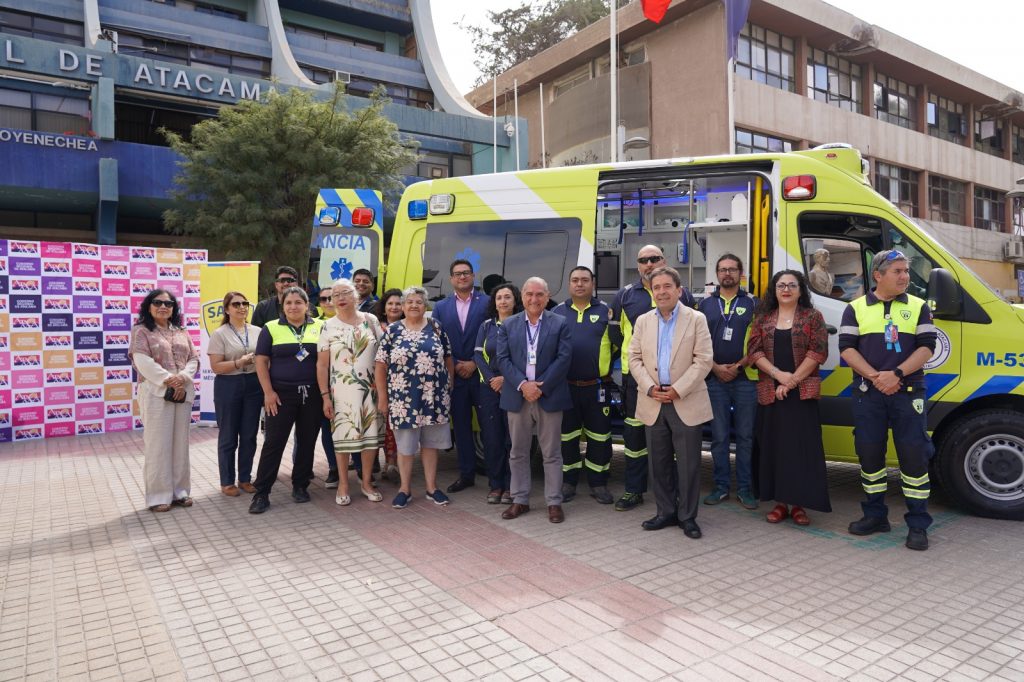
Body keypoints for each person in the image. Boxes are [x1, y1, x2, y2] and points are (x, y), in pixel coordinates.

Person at [839, 250, 937, 551]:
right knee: (869, 455)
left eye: (906, 271)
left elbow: (927, 347)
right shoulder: (855, 308)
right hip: (869, 394)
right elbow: (846, 348)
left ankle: (918, 524)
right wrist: (876, 377)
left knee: (913, 456)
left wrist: (895, 374)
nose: (905, 276)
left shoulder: (919, 307)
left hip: (908, 392)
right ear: (878, 275)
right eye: (897, 271)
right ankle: (874, 515)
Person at [627, 267, 712, 540]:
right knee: (658, 462)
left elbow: (703, 360)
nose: (661, 291)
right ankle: (665, 511)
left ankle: (687, 517)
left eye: (667, 286)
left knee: (688, 464)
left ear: (679, 290)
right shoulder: (642, 321)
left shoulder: (696, 319)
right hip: (653, 401)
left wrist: (677, 389)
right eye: (657, 287)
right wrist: (650, 388)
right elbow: (634, 359)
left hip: (684, 400)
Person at [609, 244, 695, 512]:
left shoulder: (684, 296)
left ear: (664, 260)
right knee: (634, 438)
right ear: (637, 266)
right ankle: (634, 490)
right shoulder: (624, 297)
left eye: (654, 258)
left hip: (674, 381)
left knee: (670, 440)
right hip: (637, 380)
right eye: (643, 260)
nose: (649, 264)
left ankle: (675, 496)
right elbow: (616, 337)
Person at [748, 270, 831, 526]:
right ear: (774, 290)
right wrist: (778, 376)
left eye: (792, 285)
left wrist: (792, 380)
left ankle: (799, 506)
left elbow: (818, 352)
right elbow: (753, 352)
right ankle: (780, 503)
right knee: (774, 449)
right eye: (781, 285)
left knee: (801, 450)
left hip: (802, 395)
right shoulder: (762, 318)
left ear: (800, 289)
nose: (786, 289)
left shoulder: (812, 317)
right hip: (770, 393)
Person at [496, 277, 573, 524]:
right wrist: (523, 385)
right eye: (529, 294)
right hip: (518, 396)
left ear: (547, 297)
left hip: (548, 395)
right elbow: (502, 359)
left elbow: (564, 358)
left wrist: (540, 386)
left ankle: (553, 502)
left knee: (551, 453)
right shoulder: (508, 325)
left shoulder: (560, 323)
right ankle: (520, 499)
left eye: (539, 294)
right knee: (518, 452)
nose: (534, 299)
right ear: (522, 297)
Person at [375, 286, 454, 509]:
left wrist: (449, 384)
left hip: (434, 398)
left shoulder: (436, 327)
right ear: (402, 306)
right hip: (403, 399)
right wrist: (383, 397)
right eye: (409, 301)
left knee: (431, 444)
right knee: (406, 446)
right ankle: (405, 489)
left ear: (425, 305)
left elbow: (448, 357)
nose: (414, 305)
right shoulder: (393, 331)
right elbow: (380, 365)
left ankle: (431, 488)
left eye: (419, 302)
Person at [248, 287, 325, 514]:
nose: (293, 306)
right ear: (283, 306)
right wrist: (268, 392)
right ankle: (261, 493)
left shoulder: (320, 326)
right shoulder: (271, 328)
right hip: (280, 396)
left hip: (312, 395)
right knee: (274, 443)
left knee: (307, 441)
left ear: (306, 305)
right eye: (288, 302)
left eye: (298, 302)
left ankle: (300, 485)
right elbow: (261, 361)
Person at [698, 254, 759, 510]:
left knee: (746, 436)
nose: (727, 274)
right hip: (714, 379)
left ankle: (745, 488)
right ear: (717, 274)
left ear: (740, 273)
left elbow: (759, 342)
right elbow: (697, 342)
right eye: (723, 270)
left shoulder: (754, 304)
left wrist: (738, 366)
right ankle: (721, 486)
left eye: (732, 269)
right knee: (720, 437)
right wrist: (715, 367)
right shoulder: (704, 305)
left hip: (746, 379)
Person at [130, 289, 199, 512]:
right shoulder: (141, 331)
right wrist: (169, 379)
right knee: (158, 445)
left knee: (180, 444)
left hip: (183, 392)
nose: (163, 307)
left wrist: (183, 378)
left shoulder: (182, 331)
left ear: (174, 308)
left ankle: (180, 492)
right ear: (149, 306)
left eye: (168, 304)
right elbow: (142, 361)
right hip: (155, 392)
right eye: (157, 303)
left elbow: (193, 358)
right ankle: (158, 496)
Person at [317, 279, 383, 506]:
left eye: (345, 293)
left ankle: (366, 482)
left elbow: (383, 357)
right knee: (342, 438)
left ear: (356, 296)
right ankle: (344, 483)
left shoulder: (371, 320)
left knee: (370, 438)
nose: (340, 298)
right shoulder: (328, 326)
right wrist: (325, 396)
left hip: (371, 390)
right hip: (341, 392)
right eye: (335, 295)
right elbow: (322, 365)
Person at [552, 266, 614, 505]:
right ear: (569, 284)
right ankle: (569, 482)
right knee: (567, 436)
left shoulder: (606, 312)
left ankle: (598, 483)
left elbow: (616, 346)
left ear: (593, 283)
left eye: (584, 280)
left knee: (600, 436)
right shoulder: (557, 312)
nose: (580, 284)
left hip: (596, 387)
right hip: (565, 387)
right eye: (575, 280)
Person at [432, 259, 490, 494]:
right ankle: (466, 475)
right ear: (451, 279)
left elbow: (495, 336)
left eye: (466, 273)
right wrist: (454, 364)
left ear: (473, 276)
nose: (462, 277)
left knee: (490, 427)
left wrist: (475, 363)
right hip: (455, 377)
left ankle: (498, 477)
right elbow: (437, 340)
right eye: (457, 274)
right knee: (463, 430)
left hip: (482, 375)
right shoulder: (441, 307)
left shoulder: (487, 303)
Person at [207, 291, 261, 497]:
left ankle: (245, 479)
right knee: (229, 436)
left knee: (249, 435)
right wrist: (239, 362)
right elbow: (216, 367)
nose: (242, 307)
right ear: (227, 309)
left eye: (245, 303)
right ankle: (227, 481)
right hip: (229, 385)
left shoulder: (257, 330)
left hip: (253, 384)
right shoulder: (219, 333)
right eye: (236, 304)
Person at [474, 282, 521, 505]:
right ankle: (496, 486)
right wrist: (493, 379)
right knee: (492, 439)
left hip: (513, 388)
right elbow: (478, 356)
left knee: (513, 440)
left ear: (515, 301)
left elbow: (524, 357)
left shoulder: (522, 324)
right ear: (494, 302)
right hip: (489, 389)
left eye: (507, 297)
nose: (503, 301)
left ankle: (513, 486)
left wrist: (506, 378)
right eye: (499, 297)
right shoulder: (486, 326)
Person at [373, 288, 404, 482]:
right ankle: (385, 462)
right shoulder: (375, 327)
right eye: (390, 303)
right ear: (384, 308)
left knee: (397, 425)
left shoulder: (408, 327)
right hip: (379, 382)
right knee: (381, 424)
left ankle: (396, 463)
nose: (394, 307)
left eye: (398, 303)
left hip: (402, 384)